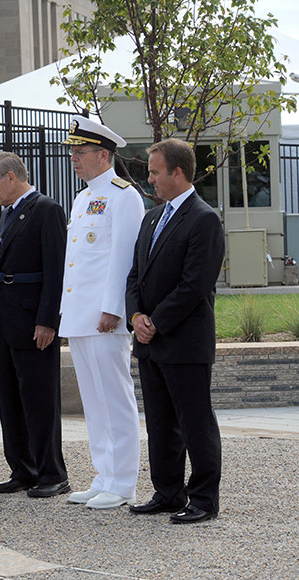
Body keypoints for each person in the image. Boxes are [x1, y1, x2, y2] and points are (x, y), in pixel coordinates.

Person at [125, 138, 225, 524]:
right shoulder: (152, 217)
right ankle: (167, 492)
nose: (149, 179)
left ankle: (202, 499)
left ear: (177, 173)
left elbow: (194, 284)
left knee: (194, 422)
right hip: (149, 341)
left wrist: (156, 322)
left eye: (153, 172)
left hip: (184, 341)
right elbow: (135, 275)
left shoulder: (203, 218)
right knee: (161, 421)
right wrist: (135, 317)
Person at [59, 117, 145, 509]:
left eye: (80, 152)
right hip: (80, 315)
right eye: (73, 152)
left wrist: (113, 308)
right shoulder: (82, 197)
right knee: (94, 401)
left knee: (115, 397)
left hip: (104, 317)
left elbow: (124, 258)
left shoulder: (123, 195)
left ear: (103, 155)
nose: (74, 158)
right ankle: (103, 474)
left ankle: (123, 482)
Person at [0, 152, 69, 498]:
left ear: (11, 178)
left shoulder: (45, 210)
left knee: (39, 400)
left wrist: (48, 320)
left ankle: (51, 472)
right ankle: (23, 468)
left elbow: (55, 269)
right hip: (5, 320)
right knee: (11, 400)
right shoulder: (10, 213)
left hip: (33, 321)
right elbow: (1, 257)